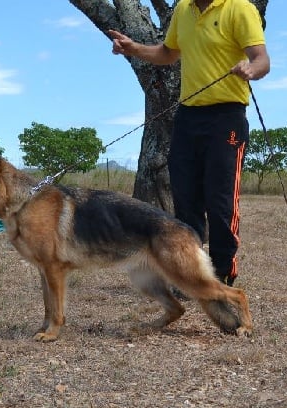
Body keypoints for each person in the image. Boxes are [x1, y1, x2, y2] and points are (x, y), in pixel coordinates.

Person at [108, 0, 270, 286]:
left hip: (226, 116)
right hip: (188, 115)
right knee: (185, 201)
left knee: (221, 203)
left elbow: (262, 60)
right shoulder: (183, 9)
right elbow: (168, 53)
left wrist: (250, 69)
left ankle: (222, 276)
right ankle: (192, 273)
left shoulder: (239, 8)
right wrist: (134, 48)